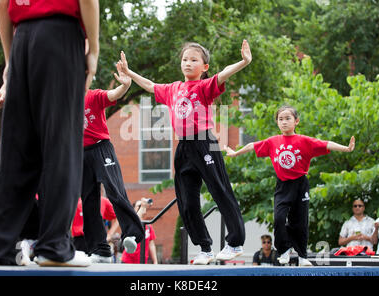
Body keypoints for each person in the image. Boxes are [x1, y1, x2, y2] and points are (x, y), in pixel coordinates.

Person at [0, 0, 114, 267]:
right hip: (61, 37)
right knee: (62, 143)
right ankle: (53, 247)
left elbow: (2, 3)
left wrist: (10, 62)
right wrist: (94, 51)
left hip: (22, 40)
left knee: (18, 147)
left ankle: (0, 245)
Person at [117, 39, 251, 265]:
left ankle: (235, 242)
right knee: (187, 201)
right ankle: (205, 248)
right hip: (184, 148)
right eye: (185, 59)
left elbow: (223, 75)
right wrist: (129, 72)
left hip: (204, 142)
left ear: (204, 67)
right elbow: (150, 86)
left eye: (194, 60)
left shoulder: (204, 86)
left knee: (220, 189)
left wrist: (243, 62)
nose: (188, 63)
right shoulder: (173, 89)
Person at [225, 105, 355, 266]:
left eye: (288, 119)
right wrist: (235, 153)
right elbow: (252, 146)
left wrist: (346, 149)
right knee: (279, 218)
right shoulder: (273, 141)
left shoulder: (305, 141)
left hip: (300, 184)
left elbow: (326, 144)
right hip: (283, 186)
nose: (284, 122)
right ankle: (284, 250)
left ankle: (302, 256)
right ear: (277, 122)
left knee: (300, 222)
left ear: (296, 121)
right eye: (281, 119)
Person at [81, 60, 144, 263]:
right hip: (80, 153)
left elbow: (113, 95)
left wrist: (125, 85)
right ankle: (100, 249)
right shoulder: (63, 100)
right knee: (88, 200)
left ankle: (132, 233)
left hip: (101, 148)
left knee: (114, 189)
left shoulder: (94, 95)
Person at [121, 198, 157, 264]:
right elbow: (136, 218)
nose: (142, 207)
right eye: (139, 206)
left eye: (143, 206)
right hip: (127, 261)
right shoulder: (130, 223)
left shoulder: (148, 226)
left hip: (142, 261)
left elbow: (151, 244)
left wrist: (155, 261)